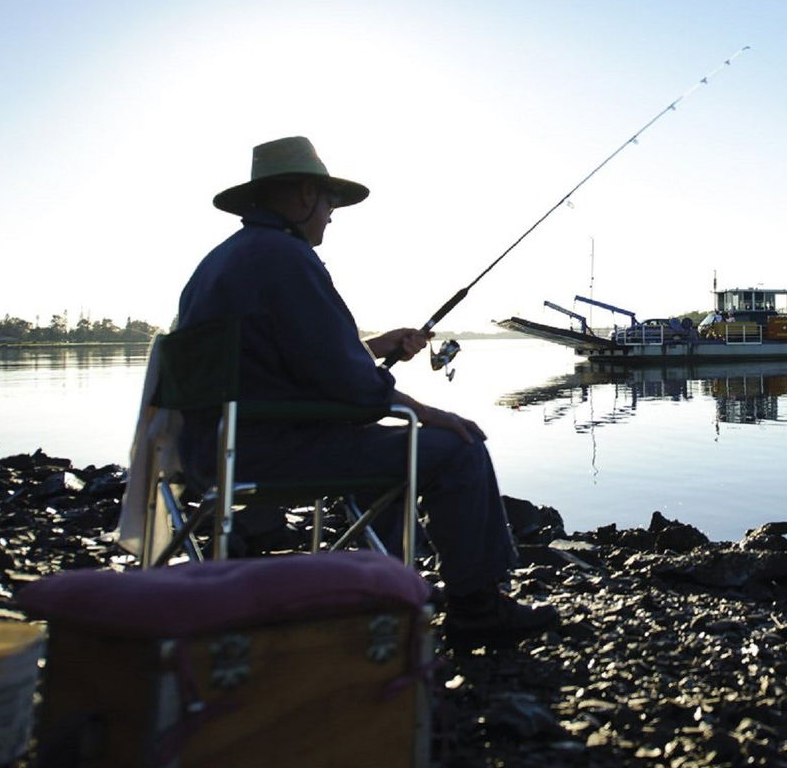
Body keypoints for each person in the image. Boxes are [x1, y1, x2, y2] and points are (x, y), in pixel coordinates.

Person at [176, 135, 558, 646]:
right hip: (264, 453)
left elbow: (287, 359)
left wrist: (374, 349)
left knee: (386, 439)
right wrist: (426, 411)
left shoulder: (226, 259)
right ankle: (477, 607)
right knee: (458, 447)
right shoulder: (287, 259)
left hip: (209, 449)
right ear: (307, 194)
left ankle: (393, 582)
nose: (332, 213)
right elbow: (352, 386)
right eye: (330, 200)